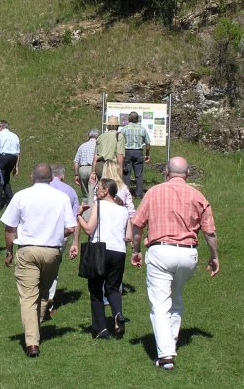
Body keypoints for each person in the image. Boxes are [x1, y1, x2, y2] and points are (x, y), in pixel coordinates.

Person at [130, 156, 220, 371]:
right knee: (176, 298)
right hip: (188, 254)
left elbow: (137, 224)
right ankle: (170, 341)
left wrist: (135, 250)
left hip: (161, 250)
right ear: (187, 174)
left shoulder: (154, 192)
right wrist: (214, 255)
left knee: (160, 303)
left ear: (166, 173)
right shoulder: (198, 195)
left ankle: (166, 355)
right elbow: (210, 231)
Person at [1, 164, 77, 357]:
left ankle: (32, 341)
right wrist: (54, 233)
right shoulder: (61, 197)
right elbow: (70, 227)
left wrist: (9, 251)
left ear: (31, 176)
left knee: (28, 296)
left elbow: (10, 228)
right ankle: (34, 331)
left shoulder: (21, 196)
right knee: (43, 293)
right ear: (51, 178)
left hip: (28, 250)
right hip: (52, 251)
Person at [75, 178, 132, 339]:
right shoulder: (124, 210)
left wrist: (79, 215)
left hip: (100, 250)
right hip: (119, 252)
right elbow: (128, 236)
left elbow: (88, 229)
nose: (96, 190)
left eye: (98, 188)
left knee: (95, 289)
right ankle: (118, 313)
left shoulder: (98, 205)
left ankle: (100, 328)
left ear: (106, 190)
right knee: (113, 288)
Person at [46, 164, 80, 316]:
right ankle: (49, 301)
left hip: (40, 234)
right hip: (62, 234)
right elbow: (75, 220)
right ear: (62, 176)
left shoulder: (41, 188)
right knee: (53, 268)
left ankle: (38, 299)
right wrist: (75, 242)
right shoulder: (70, 191)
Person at [120, 111, 151, 197]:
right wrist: (147, 154)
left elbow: (119, 141)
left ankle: (126, 194)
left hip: (127, 152)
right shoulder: (142, 129)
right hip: (139, 152)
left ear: (129, 118)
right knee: (139, 174)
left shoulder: (124, 129)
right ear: (137, 119)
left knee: (126, 174)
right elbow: (148, 144)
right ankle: (139, 194)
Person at [89, 115, 125, 184]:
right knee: (112, 189)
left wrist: (93, 172)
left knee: (101, 187)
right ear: (117, 126)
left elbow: (95, 157)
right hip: (111, 167)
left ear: (108, 126)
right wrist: (120, 172)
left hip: (99, 166)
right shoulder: (119, 136)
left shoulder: (100, 137)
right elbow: (119, 155)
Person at [0, 120, 20, 209]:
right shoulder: (14, 136)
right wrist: (16, 167)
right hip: (13, 158)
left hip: (3, 157)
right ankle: (10, 200)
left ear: (1, 127)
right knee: (6, 179)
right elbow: (18, 153)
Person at [73, 128, 99, 201]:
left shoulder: (82, 146)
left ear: (89, 136)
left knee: (85, 193)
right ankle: (92, 208)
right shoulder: (98, 146)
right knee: (93, 192)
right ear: (97, 136)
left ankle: (84, 206)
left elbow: (76, 161)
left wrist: (76, 174)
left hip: (83, 169)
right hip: (93, 169)